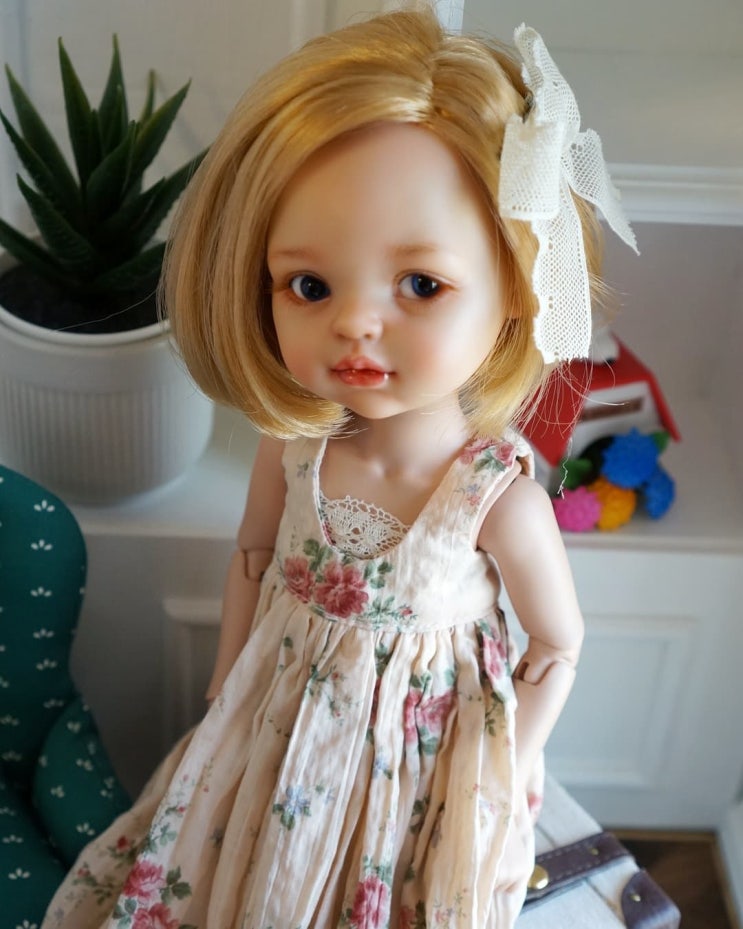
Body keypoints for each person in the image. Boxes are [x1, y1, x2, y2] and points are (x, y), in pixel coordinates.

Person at [43, 6, 637, 928]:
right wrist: (225, 684)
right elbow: (252, 557)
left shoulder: (496, 501)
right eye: (309, 286)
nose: (355, 324)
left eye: (421, 285)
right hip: (268, 738)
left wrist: (506, 765)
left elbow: (554, 647)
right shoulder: (297, 446)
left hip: (416, 778)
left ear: (518, 288)